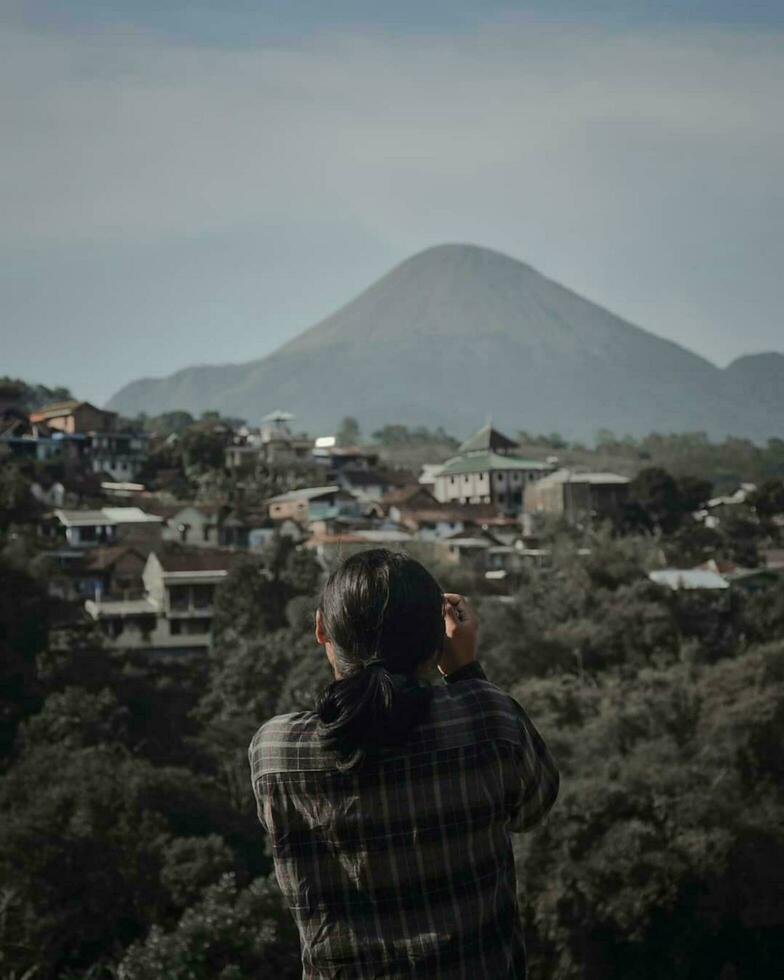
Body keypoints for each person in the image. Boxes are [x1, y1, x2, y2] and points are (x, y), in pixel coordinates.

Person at [249, 548, 559, 979]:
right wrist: (466, 674)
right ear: (436, 642)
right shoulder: (487, 717)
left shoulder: (276, 751)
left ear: (321, 629)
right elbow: (533, 807)